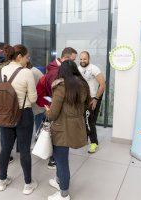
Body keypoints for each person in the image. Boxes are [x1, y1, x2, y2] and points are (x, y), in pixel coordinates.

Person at [45, 60, 90, 200]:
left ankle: (64, 194)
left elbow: (53, 114)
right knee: (62, 159)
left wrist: (47, 110)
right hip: (76, 126)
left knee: (61, 160)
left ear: (62, 72)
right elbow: (86, 105)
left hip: (61, 129)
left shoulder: (61, 87)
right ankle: (59, 181)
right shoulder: (83, 85)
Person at [0, 44, 38, 195]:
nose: (28, 60)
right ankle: (27, 184)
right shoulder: (26, 72)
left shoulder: (0, 71)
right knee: (25, 149)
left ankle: (2, 181)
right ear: (19, 57)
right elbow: (33, 98)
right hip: (23, 114)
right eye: (27, 57)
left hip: (4, 114)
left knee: (6, 148)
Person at [39, 47, 77, 170]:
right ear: (65, 58)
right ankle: (53, 159)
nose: (73, 63)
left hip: (54, 106)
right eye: (72, 60)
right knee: (55, 135)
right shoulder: (56, 72)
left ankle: (54, 157)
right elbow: (55, 93)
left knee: (55, 134)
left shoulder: (55, 68)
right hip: (55, 107)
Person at [78, 51, 105, 153]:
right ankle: (86, 139)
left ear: (89, 59)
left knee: (90, 122)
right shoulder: (78, 69)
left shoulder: (94, 69)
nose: (82, 61)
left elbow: (102, 85)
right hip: (82, 100)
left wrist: (96, 99)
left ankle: (94, 143)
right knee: (84, 121)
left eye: (84, 59)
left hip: (92, 99)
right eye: (81, 59)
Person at [27, 62, 45, 132]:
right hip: (39, 103)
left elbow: (31, 90)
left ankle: (38, 140)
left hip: (37, 104)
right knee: (39, 125)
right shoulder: (34, 70)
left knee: (38, 126)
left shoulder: (31, 72)